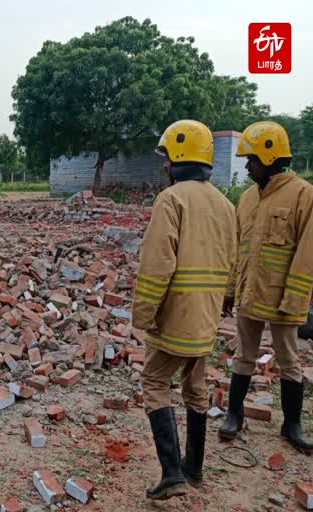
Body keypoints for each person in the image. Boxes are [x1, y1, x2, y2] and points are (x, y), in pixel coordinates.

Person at [133, 120, 236, 500]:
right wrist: (225, 299)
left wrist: (144, 315)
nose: (164, 165)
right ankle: (193, 466)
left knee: (154, 381)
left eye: (167, 157)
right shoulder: (225, 204)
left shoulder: (171, 199)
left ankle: (172, 472)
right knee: (195, 387)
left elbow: (157, 265)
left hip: (176, 316)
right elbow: (233, 261)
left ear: (179, 158)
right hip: (207, 317)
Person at [219, 121, 313, 453]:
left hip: (284, 298)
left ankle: (292, 425)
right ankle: (234, 415)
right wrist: (230, 289)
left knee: (289, 361)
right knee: (244, 355)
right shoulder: (246, 199)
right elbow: (237, 249)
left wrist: (296, 298)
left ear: (270, 158)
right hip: (249, 293)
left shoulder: (304, 195)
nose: (247, 167)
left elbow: (307, 254)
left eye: (252, 160)